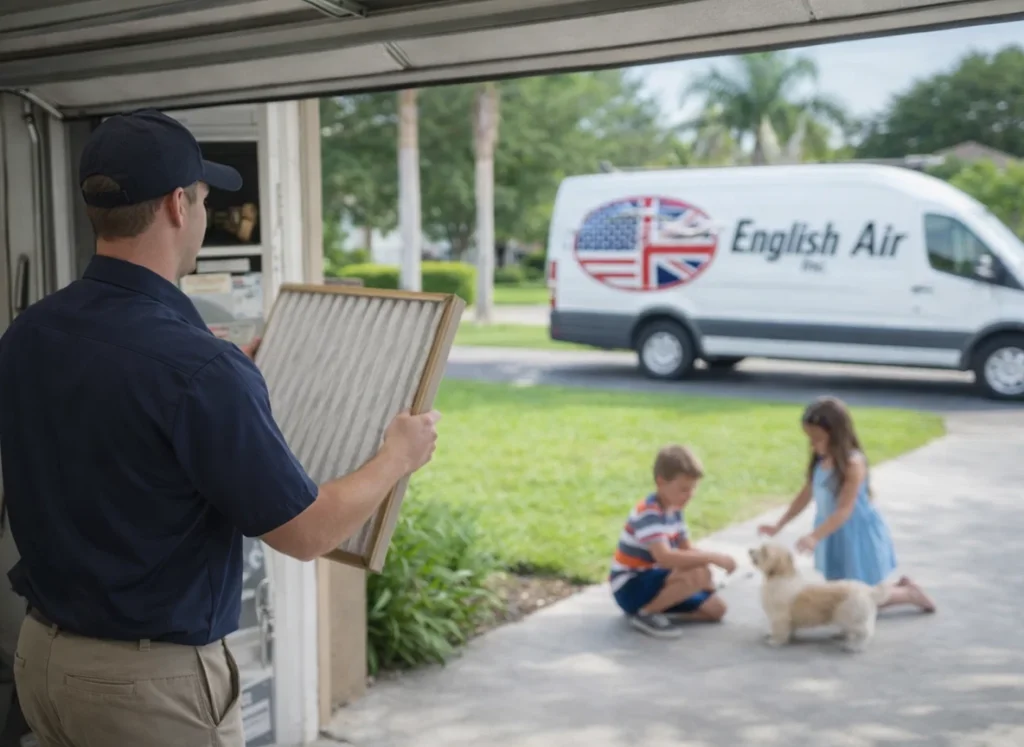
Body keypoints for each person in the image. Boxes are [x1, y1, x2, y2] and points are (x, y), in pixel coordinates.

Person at [0, 108, 440, 747]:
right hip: (146, 691)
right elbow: (307, 532)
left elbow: (109, 428)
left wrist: (228, 381)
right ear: (179, 205)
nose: (206, 213)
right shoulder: (199, 369)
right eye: (205, 198)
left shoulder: (30, 332)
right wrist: (397, 457)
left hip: (41, 657)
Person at [758, 396, 935, 613]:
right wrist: (780, 523)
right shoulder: (821, 459)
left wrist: (815, 536)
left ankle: (909, 594)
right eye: (810, 439)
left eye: (818, 439)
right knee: (844, 593)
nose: (813, 445)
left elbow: (844, 509)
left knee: (860, 600)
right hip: (832, 532)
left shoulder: (853, 463)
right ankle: (898, 587)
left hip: (854, 532)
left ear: (837, 435)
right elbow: (806, 494)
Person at [609, 444, 735, 638]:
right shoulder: (649, 513)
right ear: (661, 482)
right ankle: (646, 614)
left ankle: (659, 608)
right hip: (631, 586)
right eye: (684, 489)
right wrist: (712, 558)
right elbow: (665, 557)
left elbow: (686, 549)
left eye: (693, 489)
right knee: (698, 571)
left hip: (656, 580)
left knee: (716, 609)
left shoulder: (674, 510)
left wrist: (708, 573)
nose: (689, 495)